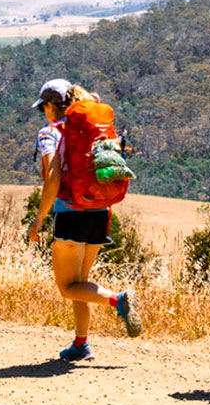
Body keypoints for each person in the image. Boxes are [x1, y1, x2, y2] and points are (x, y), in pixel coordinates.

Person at [26, 78, 141, 361]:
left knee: (67, 288)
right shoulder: (93, 130)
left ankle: (118, 300)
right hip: (100, 211)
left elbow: (53, 178)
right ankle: (81, 344)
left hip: (70, 212)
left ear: (52, 105)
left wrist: (39, 219)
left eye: (44, 107)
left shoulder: (50, 132)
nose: (44, 113)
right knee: (81, 283)